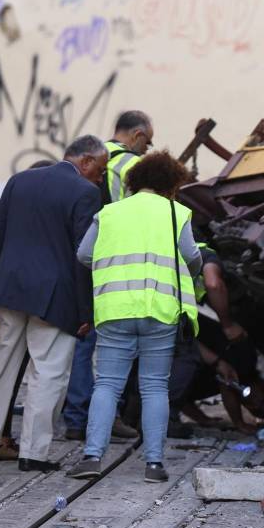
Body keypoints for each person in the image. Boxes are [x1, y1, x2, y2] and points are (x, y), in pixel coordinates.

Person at [0, 136, 107, 473]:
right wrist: (86, 312)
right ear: (86, 161)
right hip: (54, 296)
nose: (101, 178)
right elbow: (82, 257)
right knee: (48, 373)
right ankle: (33, 453)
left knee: (0, 371)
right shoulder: (85, 193)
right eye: (101, 170)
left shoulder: (20, 180)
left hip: (9, 289)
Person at [67, 151, 200, 484]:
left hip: (114, 310)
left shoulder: (109, 212)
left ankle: (92, 456)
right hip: (160, 310)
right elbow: (192, 257)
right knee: (154, 386)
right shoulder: (176, 212)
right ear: (171, 184)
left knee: (107, 384)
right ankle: (154, 464)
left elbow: (84, 254)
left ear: (134, 181)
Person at [62, 110, 153, 441]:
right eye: (148, 141)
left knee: (82, 343)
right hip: (115, 263)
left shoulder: (96, 157)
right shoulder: (132, 165)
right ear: (138, 135)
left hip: (82, 255)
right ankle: (101, 417)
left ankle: (75, 416)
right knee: (109, 348)